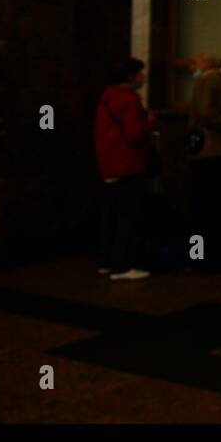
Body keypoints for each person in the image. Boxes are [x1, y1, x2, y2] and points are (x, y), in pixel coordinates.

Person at [94, 57, 155, 281]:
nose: (143, 77)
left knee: (110, 214)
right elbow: (135, 133)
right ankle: (123, 266)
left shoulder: (107, 97)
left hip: (109, 163)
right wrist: (149, 122)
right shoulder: (129, 99)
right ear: (130, 76)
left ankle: (107, 262)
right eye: (140, 73)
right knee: (128, 216)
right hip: (128, 163)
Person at [187, 52, 221, 272]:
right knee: (217, 209)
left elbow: (204, 112)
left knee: (200, 209)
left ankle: (199, 258)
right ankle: (215, 257)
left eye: (194, 62)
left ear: (204, 64)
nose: (191, 66)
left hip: (207, 152)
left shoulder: (206, 82)